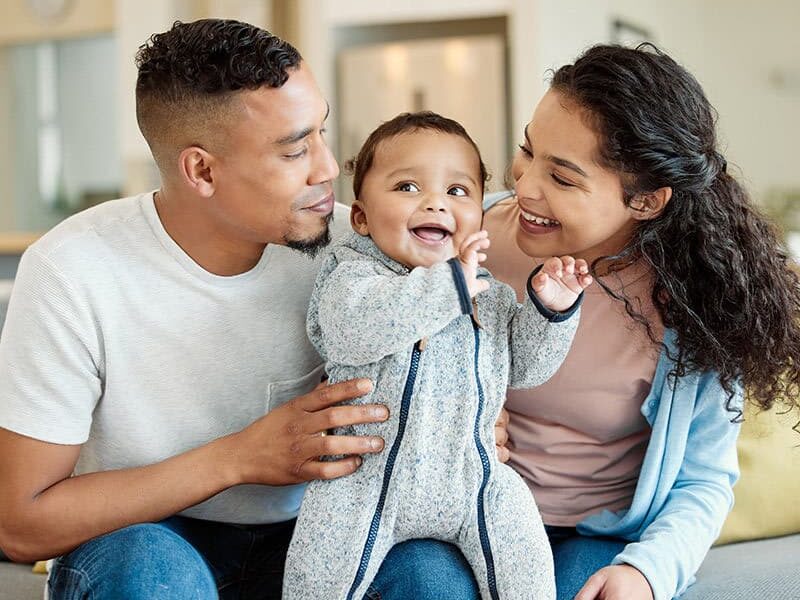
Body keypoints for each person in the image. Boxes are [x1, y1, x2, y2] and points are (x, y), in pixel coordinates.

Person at [0, 19, 476, 600]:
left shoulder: (365, 244)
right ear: (201, 170)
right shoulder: (71, 270)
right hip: (147, 540)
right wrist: (239, 459)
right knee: (148, 567)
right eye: (295, 149)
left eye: (321, 133)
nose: (328, 168)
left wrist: (470, 413)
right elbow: (19, 526)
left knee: (433, 575)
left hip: (328, 529)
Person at [482, 44, 800, 600]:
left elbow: (703, 480)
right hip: (471, 508)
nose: (525, 186)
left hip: (596, 535)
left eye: (562, 177)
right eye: (527, 151)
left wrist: (648, 571)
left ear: (646, 202)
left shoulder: (695, 306)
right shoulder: (472, 241)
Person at [283, 111, 592, 600]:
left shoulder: (487, 295)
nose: (435, 203)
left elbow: (527, 367)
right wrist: (449, 287)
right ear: (360, 217)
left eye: (458, 191)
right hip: (364, 483)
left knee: (527, 565)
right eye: (407, 187)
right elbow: (352, 332)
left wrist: (551, 310)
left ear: (479, 216)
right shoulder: (353, 276)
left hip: (474, 480)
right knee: (316, 580)